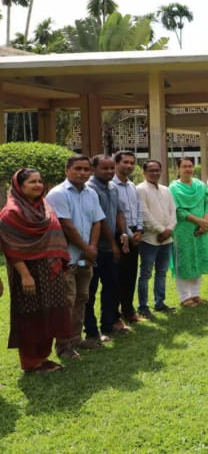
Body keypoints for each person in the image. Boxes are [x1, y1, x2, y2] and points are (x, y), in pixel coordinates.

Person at [0, 169, 71, 372]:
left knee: (51, 313)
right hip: (28, 273)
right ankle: (31, 361)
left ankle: (43, 357)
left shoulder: (44, 207)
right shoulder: (11, 213)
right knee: (31, 316)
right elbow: (11, 247)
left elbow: (55, 236)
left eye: (40, 181)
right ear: (20, 186)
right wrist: (25, 275)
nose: (38, 185)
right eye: (32, 182)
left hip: (50, 272)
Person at [46, 155, 104, 356]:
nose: (82, 173)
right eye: (77, 168)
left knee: (82, 298)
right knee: (67, 302)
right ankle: (63, 346)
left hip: (86, 258)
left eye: (86, 169)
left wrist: (92, 248)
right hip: (66, 258)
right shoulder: (58, 194)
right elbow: (66, 225)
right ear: (67, 170)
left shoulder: (91, 193)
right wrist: (87, 248)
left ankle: (76, 339)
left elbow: (97, 221)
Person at [85, 154, 129, 346]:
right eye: (104, 168)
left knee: (111, 287)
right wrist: (113, 244)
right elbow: (99, 219)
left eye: (111, 168)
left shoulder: (112, 187)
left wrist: (123, 233)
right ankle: (91, 331)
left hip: (110, 246)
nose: (109, 171)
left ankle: (109, 325)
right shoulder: (90, 189)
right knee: (90, 291)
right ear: (94, 169)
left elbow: (119, 212)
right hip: (95, 247)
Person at [170, 157, 208, 307]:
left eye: (190, 166)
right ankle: (184, 297)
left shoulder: (200, 185)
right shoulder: (174, 188)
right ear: (178, 169)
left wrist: (205, 222)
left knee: (198, 258)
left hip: (201, 230)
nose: (188, 169)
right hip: (184, 229)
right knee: (184, 261)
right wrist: (198, 221)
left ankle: (195, 294)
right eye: (184, 166)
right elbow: (178, 210)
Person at [136, 160, 177, 317]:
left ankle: (159, 303)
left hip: (166, 239)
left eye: (157, 170)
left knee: (162, 271)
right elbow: (144, 214)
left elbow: (173, 211)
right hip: (149, 239)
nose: (155, 173)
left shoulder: (166, 190)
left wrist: (169, 230)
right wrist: (162, 230)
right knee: (146, 274)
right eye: (151, 170)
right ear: (144, 172)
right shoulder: (140, 189)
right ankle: (143, 306)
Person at [112, 151, 146, 324]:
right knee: (117, 277)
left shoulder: (132, 186)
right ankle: (114, 316)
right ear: (116, 163)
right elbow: (115, 215)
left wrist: (139, 229)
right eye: (125, 162)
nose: (129, 166)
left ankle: (128, 311)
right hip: (118, 235)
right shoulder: (111, 186)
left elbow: (138, 209)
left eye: (132, 163)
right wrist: (131, 235)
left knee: (130, 275)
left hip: (134, 234)